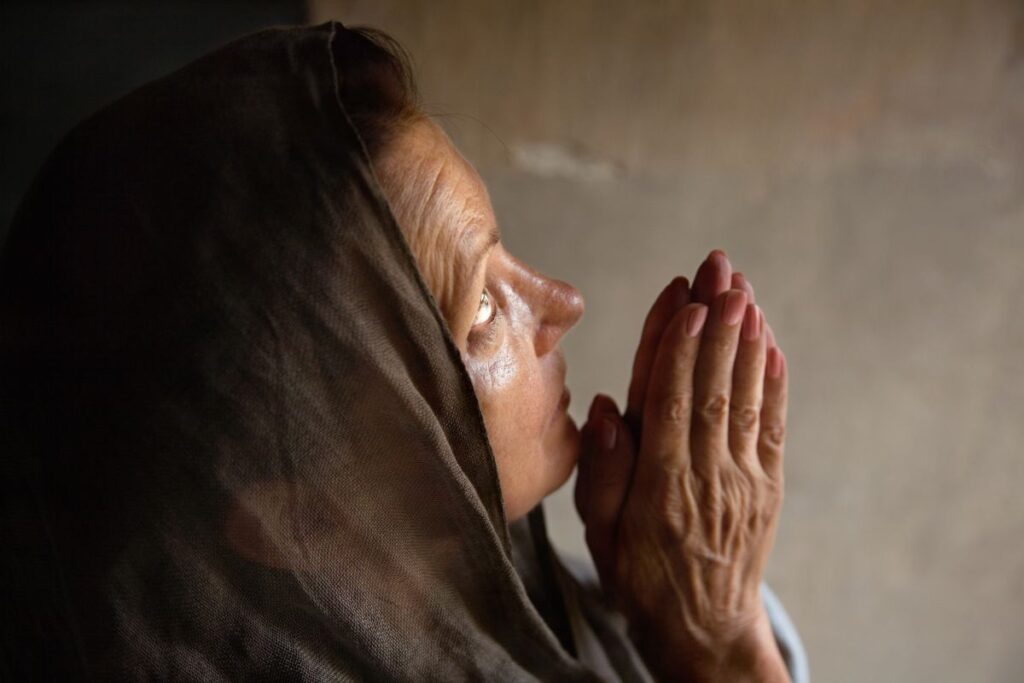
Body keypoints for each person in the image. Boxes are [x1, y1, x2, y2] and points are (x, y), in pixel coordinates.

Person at [0, 21, 807, 681]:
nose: (564, 303)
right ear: (301, 517)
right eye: (484, 307)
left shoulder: (550, 595)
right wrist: (720, 648)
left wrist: (684, 607)